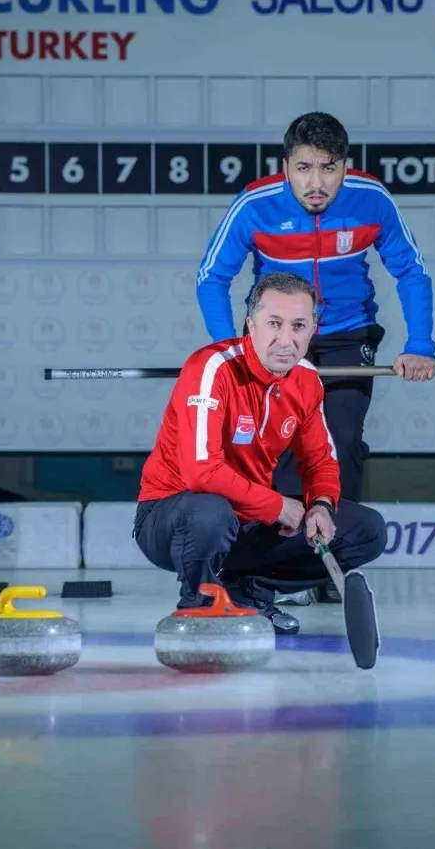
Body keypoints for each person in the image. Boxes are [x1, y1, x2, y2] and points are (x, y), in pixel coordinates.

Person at [196, 111, 435, 507]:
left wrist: (421, 345)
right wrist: (231, 349)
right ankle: (279, 555)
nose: (316, 183)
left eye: (329, 169)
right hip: (279, 335)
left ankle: (337, 549)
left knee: (340, 442)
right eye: (304, 168)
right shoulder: (255, 205)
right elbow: (211, 278)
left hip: (349, 331)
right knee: (281, 441)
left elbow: (411, 271)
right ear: (285, 166)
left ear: (345, 166)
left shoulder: (371, 199)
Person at [133, 272, 387, 635]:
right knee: (210, 511)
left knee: (367, 530)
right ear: (250, 325)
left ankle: (247, 594)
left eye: (298, 325)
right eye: (274, 324)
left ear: (313, 328)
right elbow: (200, 473)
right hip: (171, 517)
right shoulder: (211, 368)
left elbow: (320, 461)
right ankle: (200, 604)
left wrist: (321, 506)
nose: (286, 339)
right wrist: (278, 507)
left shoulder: (306, 379)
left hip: (247, 519)